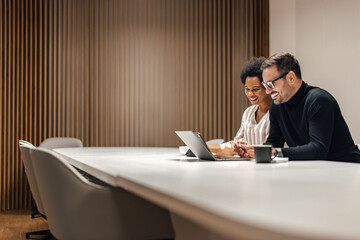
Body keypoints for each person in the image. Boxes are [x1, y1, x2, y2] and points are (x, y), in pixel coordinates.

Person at [236, 52, 360, 162]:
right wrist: (258, 151)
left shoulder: (318, 100)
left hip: (346, 168)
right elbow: (274, 142)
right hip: (316, 171)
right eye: (265, 84)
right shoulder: (277, 105)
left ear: (291, 77)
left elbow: (318, 149)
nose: (268, 91)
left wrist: (275, 152)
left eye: (271, 84)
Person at [208, 57, 272, 155]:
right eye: (247, 89)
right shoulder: (248, 112)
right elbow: (236, 142)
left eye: (255, 89)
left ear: (267, 87)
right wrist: (208, 147)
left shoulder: (277, 113)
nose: (250, 94)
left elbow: (275, 148)